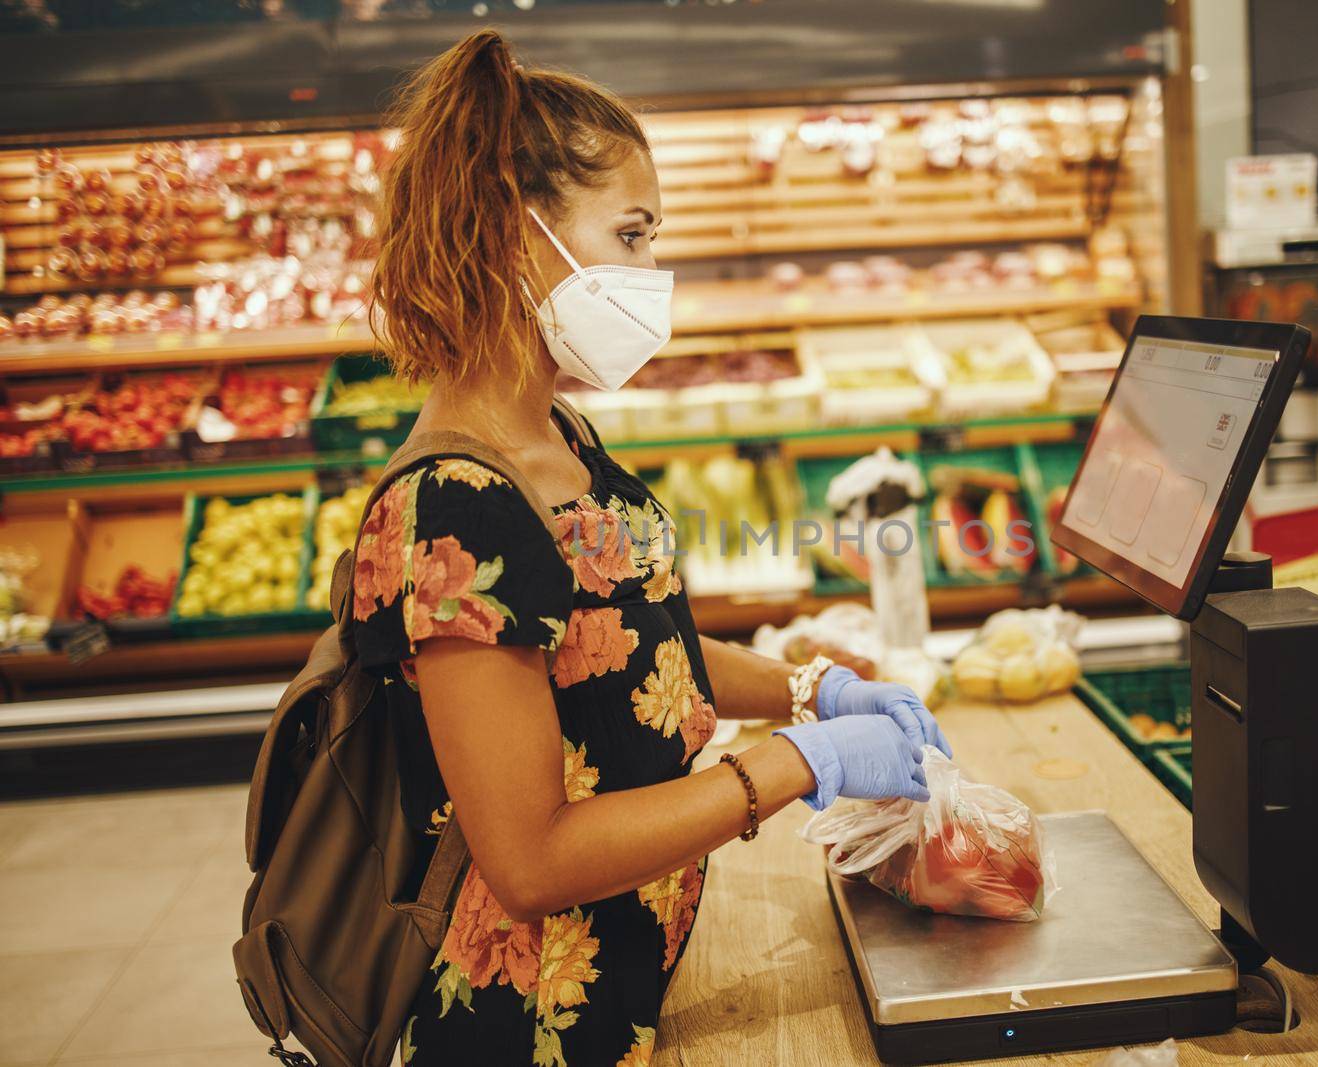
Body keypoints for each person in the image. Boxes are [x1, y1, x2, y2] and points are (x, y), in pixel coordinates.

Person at [358, 29, 950, 1067]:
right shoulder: (449, 508)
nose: (650, 274)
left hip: (640, 966)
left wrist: (813, 691)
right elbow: (531, 858)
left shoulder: (557, 432)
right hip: (537, 1022)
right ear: (511, 230)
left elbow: (621, 649)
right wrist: (789, 766)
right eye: (630, 235)